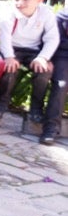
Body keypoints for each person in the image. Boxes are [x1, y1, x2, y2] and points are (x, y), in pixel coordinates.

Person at [0, 0, 59, 127]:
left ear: (39, 0)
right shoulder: (9, 13)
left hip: (34, 50)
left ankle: (35, 108)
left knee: (44, 71)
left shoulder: (46, 13)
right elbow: (5, 37)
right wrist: (9, 56)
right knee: (9, 69)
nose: (20, 3)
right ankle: (1, 104)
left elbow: (52, 37)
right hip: (11, 48)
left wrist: (43, 57)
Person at [45, 8, 68, 145]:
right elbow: (53, 40)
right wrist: (47, 58)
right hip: (63, 56)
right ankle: (50, 128)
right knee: (60, 84)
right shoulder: (62, 16)